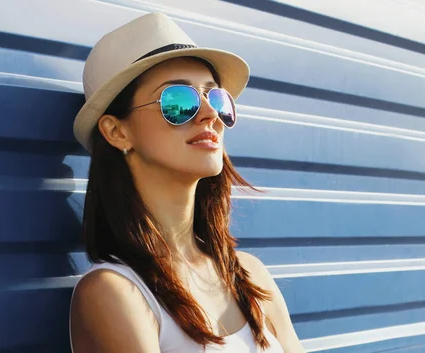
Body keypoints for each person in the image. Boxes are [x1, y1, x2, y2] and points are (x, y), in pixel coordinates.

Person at [69, 12, 305, 353]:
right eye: (179, 102)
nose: (210, 114)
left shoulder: (250, 275)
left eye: (217, 99)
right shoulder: (115, 292)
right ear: (117, 131)